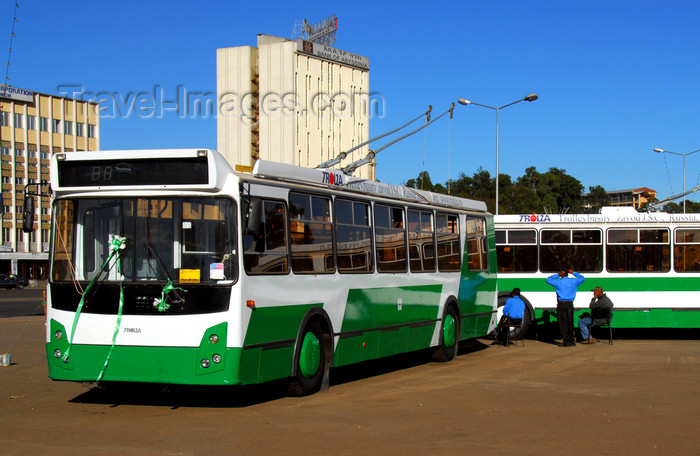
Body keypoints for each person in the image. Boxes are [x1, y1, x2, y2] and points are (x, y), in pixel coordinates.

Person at [545, 268, 585, 347]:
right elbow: (582, 278)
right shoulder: (573, 281)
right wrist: (574, 272)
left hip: (561, 304)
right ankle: (572, 340)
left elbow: (548, 280)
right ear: (568, 273)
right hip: (570, 304)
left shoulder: (558, 282)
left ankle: (566, 341)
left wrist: (557, 275)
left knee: (563, 322)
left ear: (561, 274)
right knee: (570, 321)